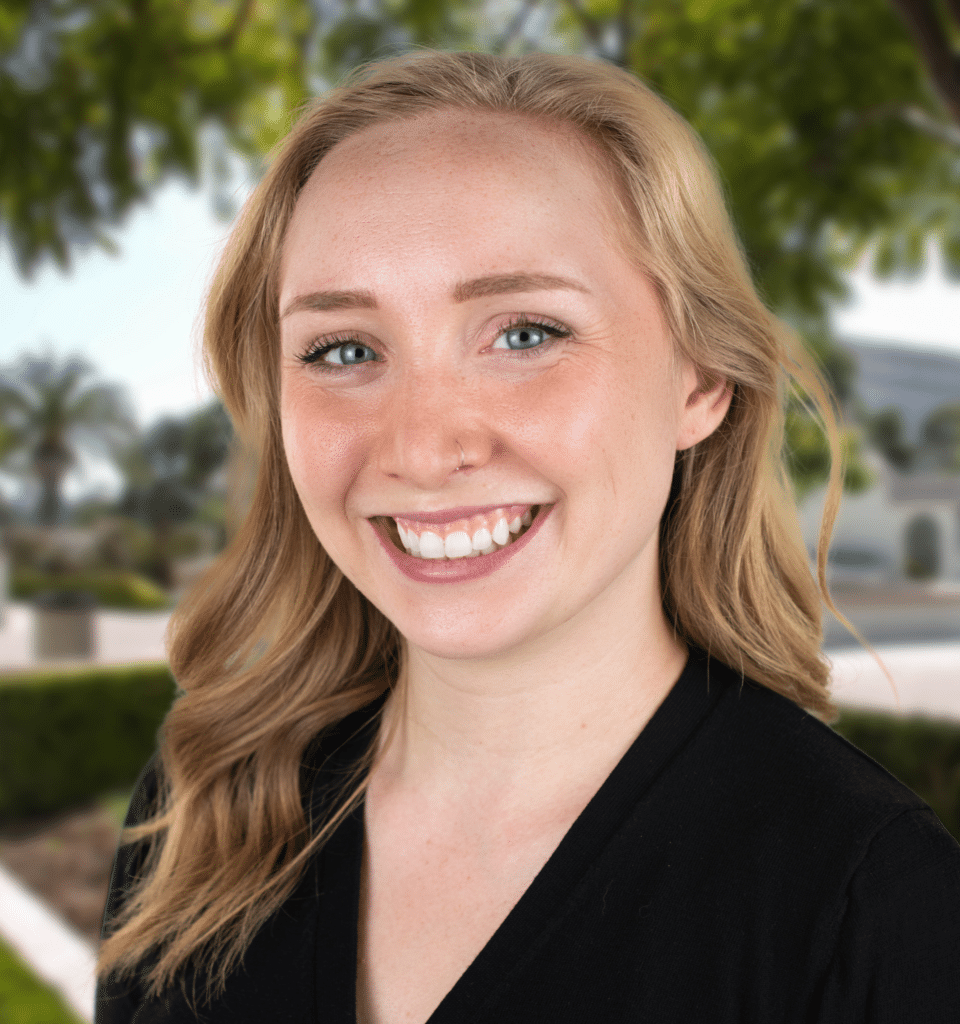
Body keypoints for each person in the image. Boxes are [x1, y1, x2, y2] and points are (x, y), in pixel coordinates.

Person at [95, 50, 960, 1024]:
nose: (423, 447)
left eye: (525, 333)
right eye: (343, 349)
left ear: (701, 380)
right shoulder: (202, 816)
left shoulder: (873, 906)